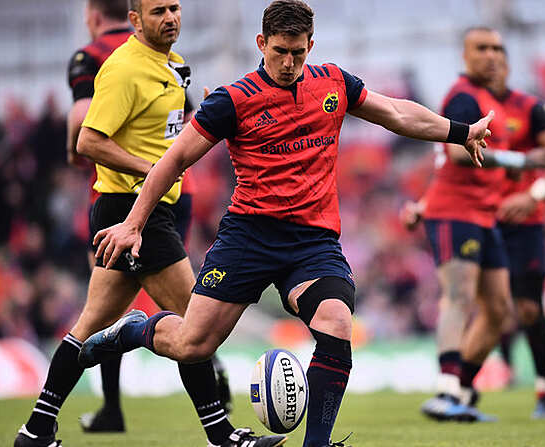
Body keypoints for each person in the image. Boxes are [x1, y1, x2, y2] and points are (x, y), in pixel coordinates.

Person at [80, 1, 494, 445]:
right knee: (192, 346)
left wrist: (460, 131)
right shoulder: (233, 100)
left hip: (312, 242)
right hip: (249, 236)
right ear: (262, 44)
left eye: (298, 52)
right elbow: (175, 158)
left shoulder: (333, 84)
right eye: (280, 51)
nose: (289, 63)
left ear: (310, 45)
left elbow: (395, 113)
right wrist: (134, 223)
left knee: (336, 322)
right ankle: (136, 328)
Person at [14, 1, 255, 446]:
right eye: (158, 10)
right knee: (195, 323)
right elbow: (88, 139)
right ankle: (221, 436)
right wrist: (150, 170)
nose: (170, 17)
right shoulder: (123, 68)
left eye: (175, 7)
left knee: (87, 327)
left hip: (144, 210)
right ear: (136, 19)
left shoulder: (175, 65)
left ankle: (36, 429)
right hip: (132, 211)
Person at [399, 26, 545, 422]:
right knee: (460, 296)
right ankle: (447, 390)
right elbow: (460, 155)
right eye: (481, 48)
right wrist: (519, 161)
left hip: (483, 215)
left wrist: (420, 203)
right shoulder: (464, 96)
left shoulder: (488, 100)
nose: (491, 56)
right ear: (465, 56)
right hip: (455, 214)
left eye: (498, 48)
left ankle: (461, 392)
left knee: (500, 310)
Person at [488, 31, 545, 419]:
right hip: (480, 220)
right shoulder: (462, 107)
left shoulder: (530, 108)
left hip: (524, 223)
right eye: (483, 55)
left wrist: (536, 194)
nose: (490, 64)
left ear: (507, 67)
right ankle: (459, 388)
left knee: (527, 309)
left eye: (497, 56)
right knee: (484, 307)